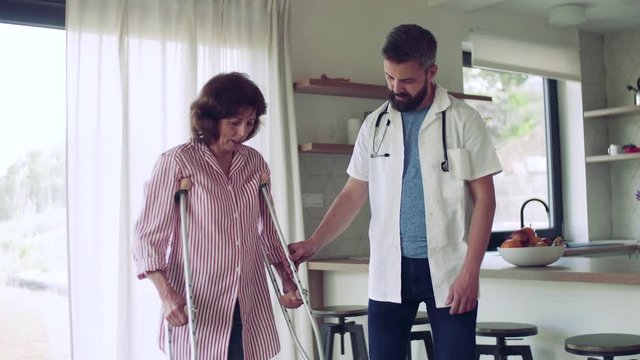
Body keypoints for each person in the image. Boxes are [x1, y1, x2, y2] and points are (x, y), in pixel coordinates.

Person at [288, 24, 502, 359]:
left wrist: (470, 273)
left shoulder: (463, 120)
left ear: (431, 72)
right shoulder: (374, 124)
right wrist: (314, 243)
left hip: (448, 270)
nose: (395, 88)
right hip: (390, 271)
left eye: (407, 80)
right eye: (390, 78)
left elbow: (485, 201)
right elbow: (352, 194)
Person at [133, 72, 302, 360]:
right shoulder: (178, 162)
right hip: (199, 300)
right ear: (211, 119)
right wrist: (166, 294)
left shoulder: (254, 163)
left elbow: (269, 229)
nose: (242, 133)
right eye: (234, 123)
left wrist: (287, 275)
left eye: (250, 123)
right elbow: (148, 237)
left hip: (249, 298)